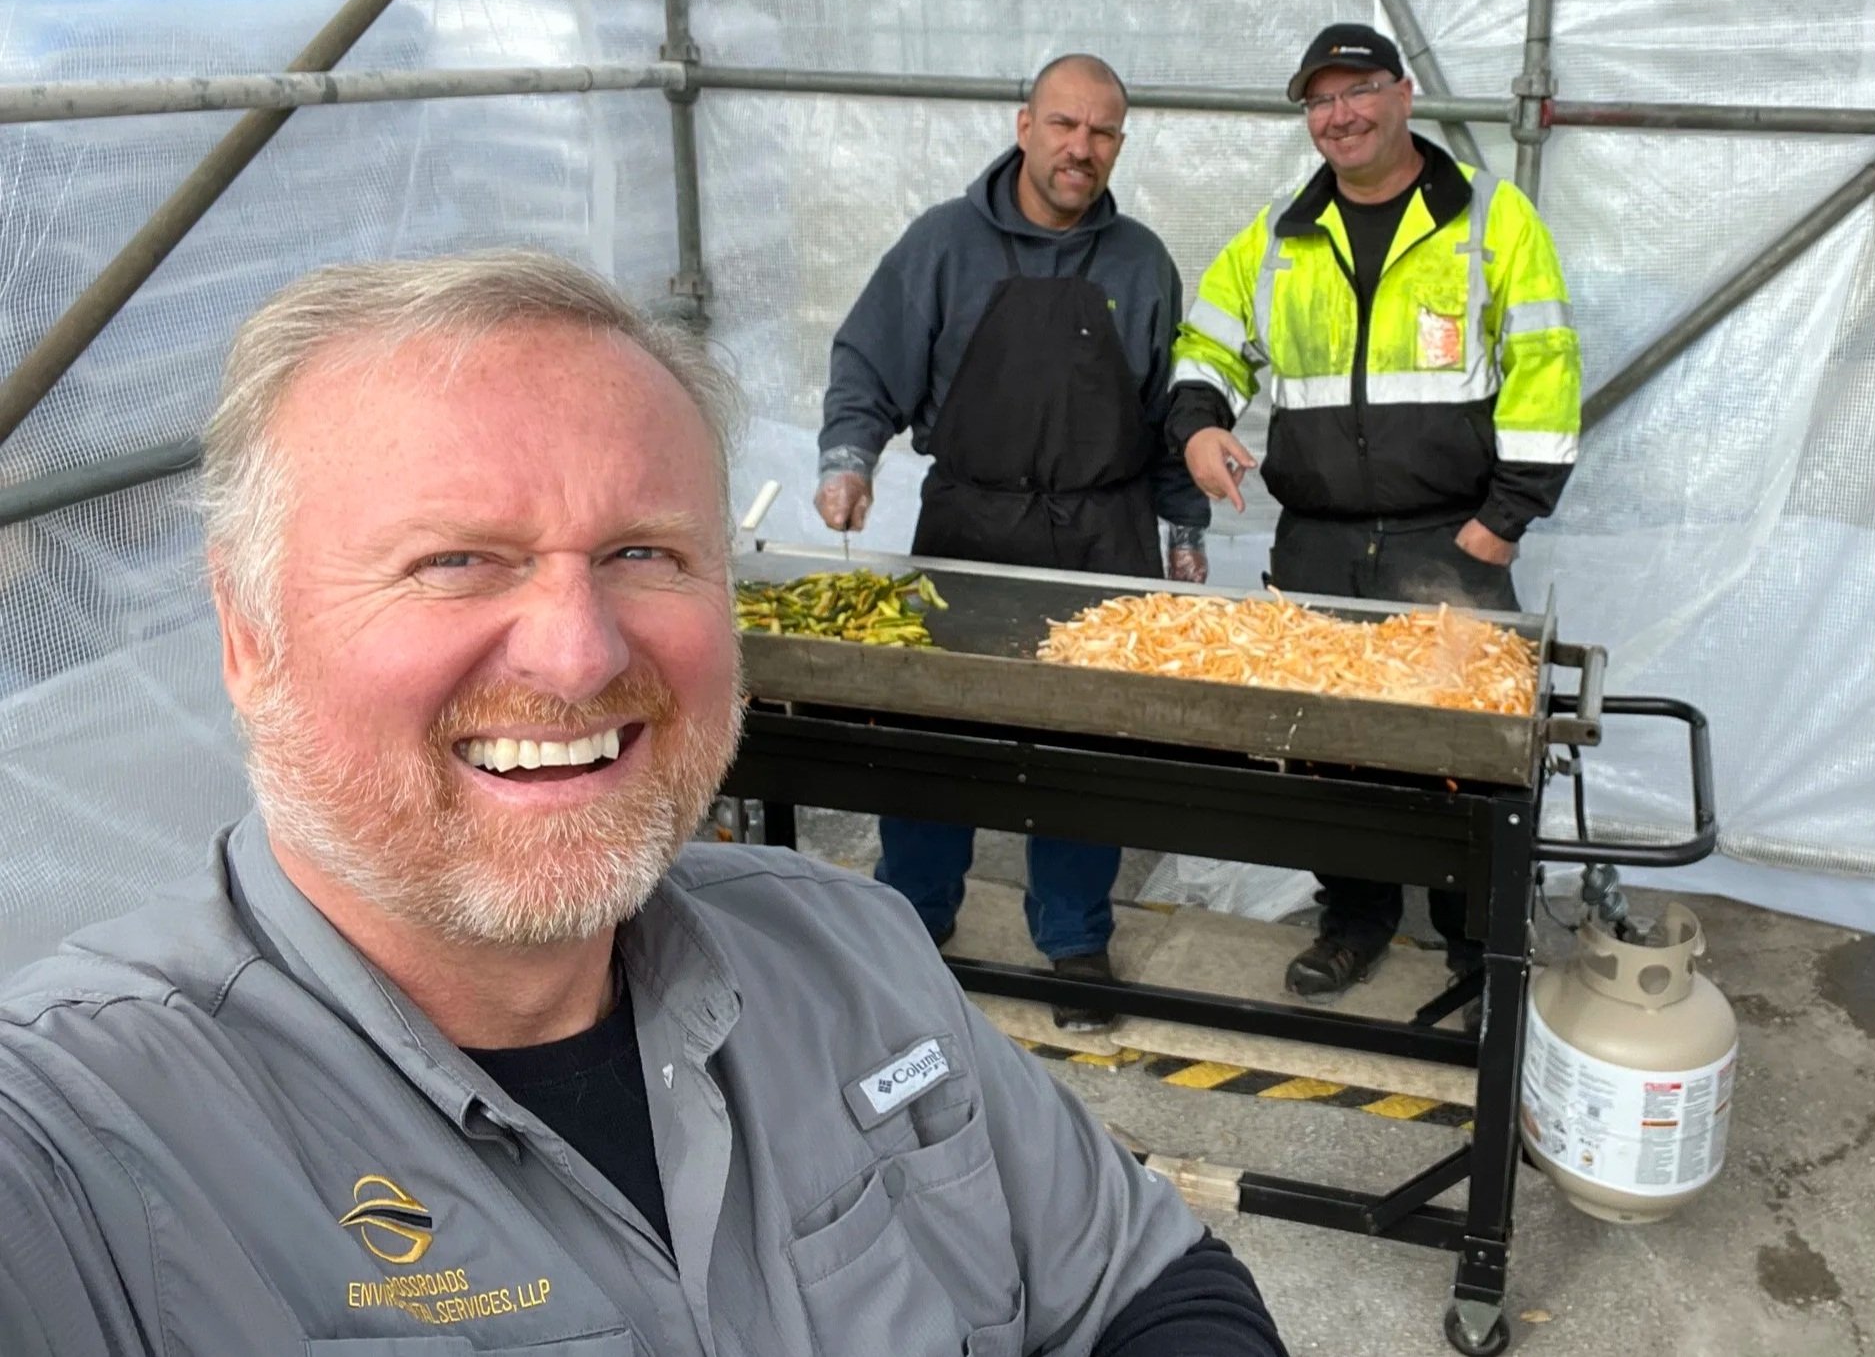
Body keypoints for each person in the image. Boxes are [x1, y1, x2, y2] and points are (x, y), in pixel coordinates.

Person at [0, 253, 1284, 1357]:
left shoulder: (852, 949)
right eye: (455, 561)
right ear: (246, 630)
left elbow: (1148, 1282)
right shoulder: (85, 1141)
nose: (575, 655)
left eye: (643, 554)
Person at [1168, 24, 1581, 1022]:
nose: (1338, 115)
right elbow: (1206, 345)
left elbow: (1545, 362)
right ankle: (1351, 920)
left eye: (1356, 91)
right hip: (1312, 544)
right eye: (1318, 100)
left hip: (1448, 543)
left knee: (1462, 755)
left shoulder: (1487, 216)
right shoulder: (1276, 234)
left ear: (1401, 94)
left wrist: (1501, 523)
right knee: (1325, 749)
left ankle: (1476, 946)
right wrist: (1196, 426)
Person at [816, 54, 1209, 1032]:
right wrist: (848, 457)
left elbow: (1170, 409)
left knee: (1087, 745)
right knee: (934, 737)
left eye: (1103, 132)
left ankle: (1073, 939)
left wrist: (1184, 529)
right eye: (1066, 125)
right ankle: (913, 923)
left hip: (1105, 531)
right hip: (970, 525)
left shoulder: (1140, 261)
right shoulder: (943, 245)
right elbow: (867, 363)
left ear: (1119, 144)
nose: (1082, 148)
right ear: (1024, 123)